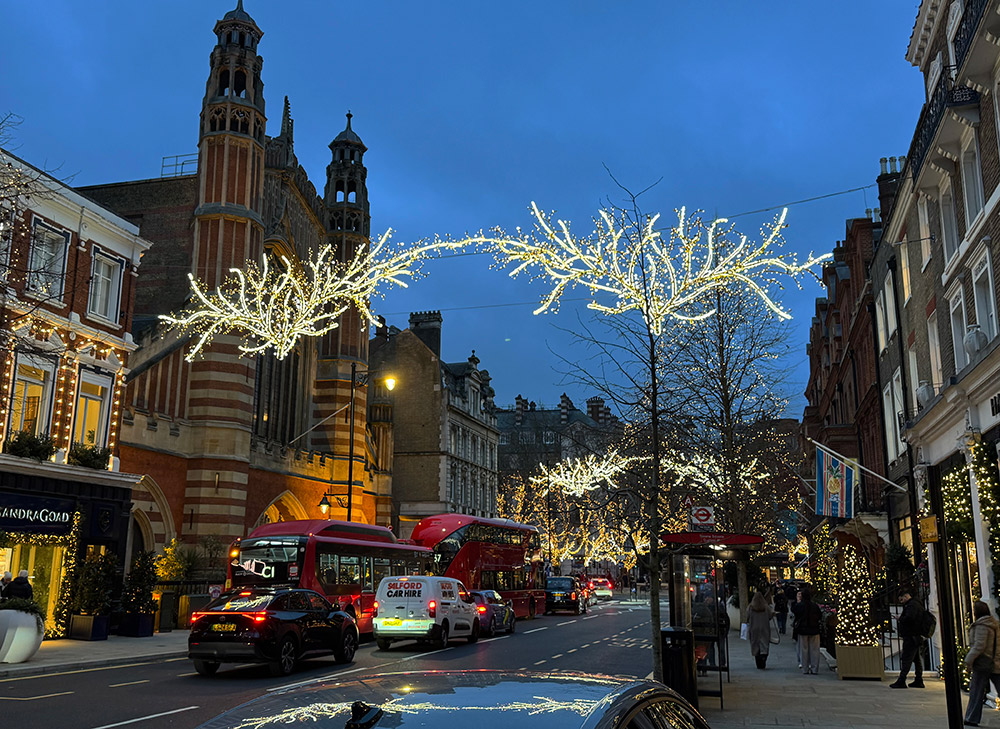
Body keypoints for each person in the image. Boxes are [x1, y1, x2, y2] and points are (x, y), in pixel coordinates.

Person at [964, 600, 1000, 726]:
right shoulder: (993, 624)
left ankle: (971, 718)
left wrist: (968, 660)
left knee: (976, 691)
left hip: (983, 662)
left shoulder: (982, 625)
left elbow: (979, 645)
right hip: (994, 661)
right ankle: (971, 717)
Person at [890, 592, 925, 689]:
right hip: (916, 636)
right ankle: (918, 679)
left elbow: (909, 618)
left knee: (907, 659)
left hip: (911, 636)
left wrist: (900, 618)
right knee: (916, 659)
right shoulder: (917, 604)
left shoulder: (912, 605)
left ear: (906, 596)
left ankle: (902, 680)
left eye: (901, 599)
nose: (901, 602)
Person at [791, 587, 822, 674]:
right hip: (814, 629)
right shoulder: (814, 606)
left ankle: (805, 668)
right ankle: (814, 668)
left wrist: (797, 601)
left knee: (803, 650)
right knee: (815, 650)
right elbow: (819, 615)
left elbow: (794, 611)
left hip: (803, 629)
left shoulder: (800, 605)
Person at [747, 591, 774, 669]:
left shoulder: (751, 607)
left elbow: (747, 616)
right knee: (764, 644)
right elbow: (770, 616)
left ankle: (758, 661)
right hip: (764, 628)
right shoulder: (766, 607)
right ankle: (763, 659)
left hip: (754, 628)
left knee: (755, 644)